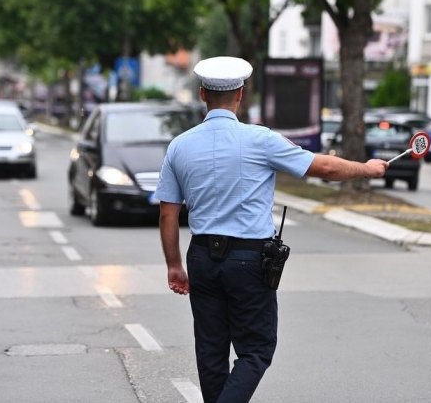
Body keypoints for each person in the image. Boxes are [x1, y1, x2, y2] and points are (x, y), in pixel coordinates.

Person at [154, 56, 388, 403]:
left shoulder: (179, 146)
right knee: (256, 349)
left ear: (202, 94)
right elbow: (323, 167)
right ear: (241, 95)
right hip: (249, 259)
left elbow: (168, 215)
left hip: (201, 256)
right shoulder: (261, 140)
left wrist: (174, 265)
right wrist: (367, 170)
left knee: (210, 350)